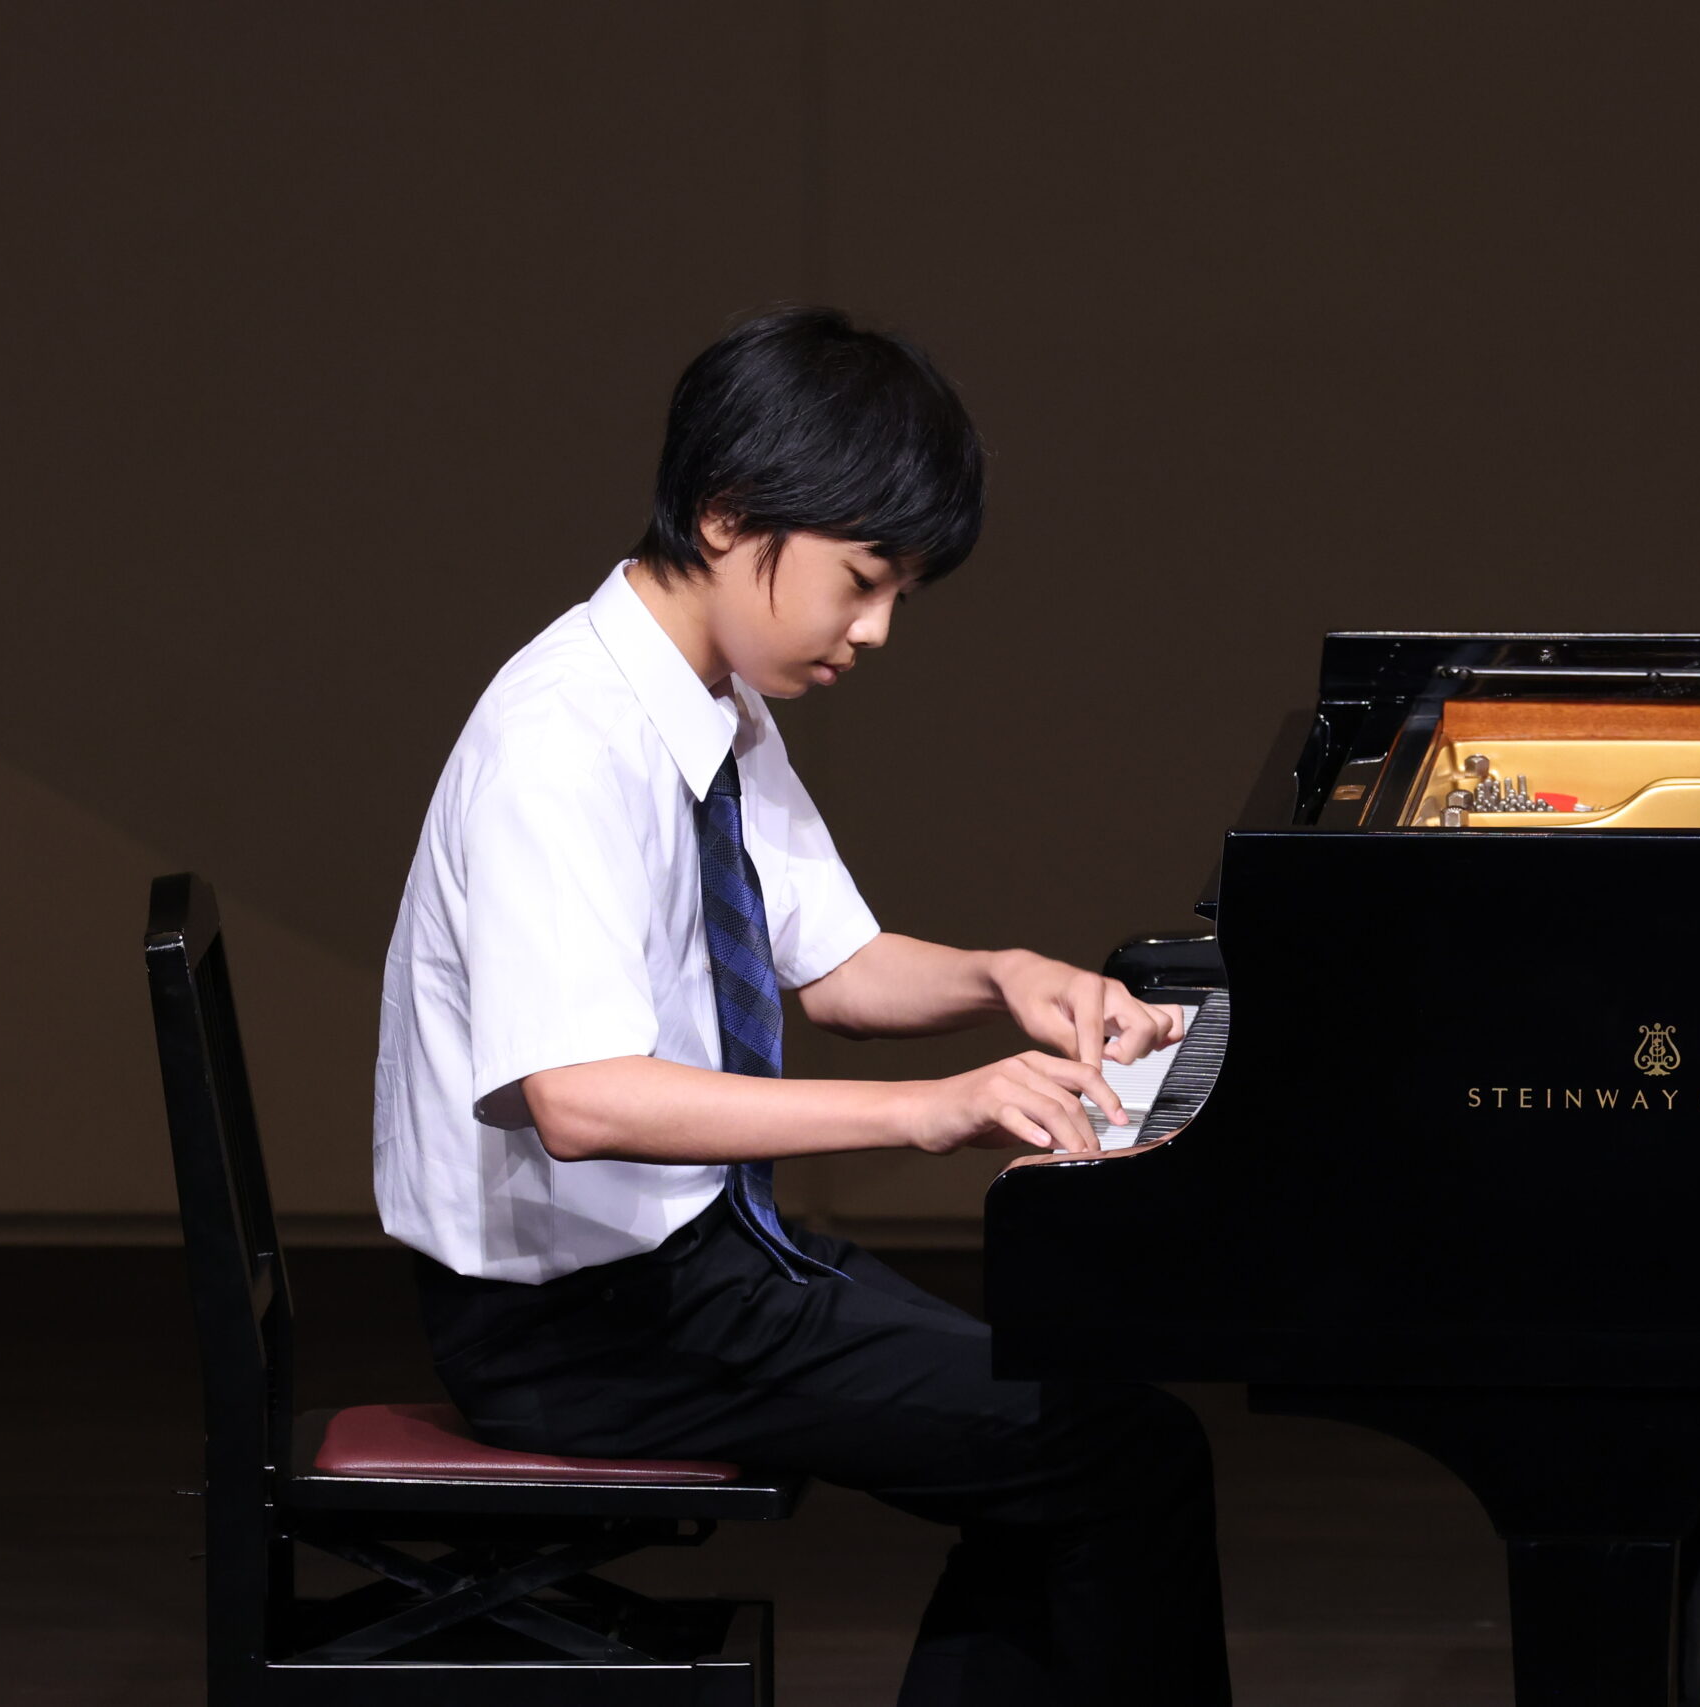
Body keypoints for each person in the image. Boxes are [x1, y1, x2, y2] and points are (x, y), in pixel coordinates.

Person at [372, 306, 1230, 1705]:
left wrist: (1003, 977)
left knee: (1081, 1425)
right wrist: (929, 1111)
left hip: (695, 1265)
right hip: (583, 1329)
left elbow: (833, 968)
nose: (875, 630)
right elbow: (578, 1100)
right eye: (862, 580)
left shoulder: (703, 701)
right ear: (728, 516)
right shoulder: (560, 741)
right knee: (1120, 1453)